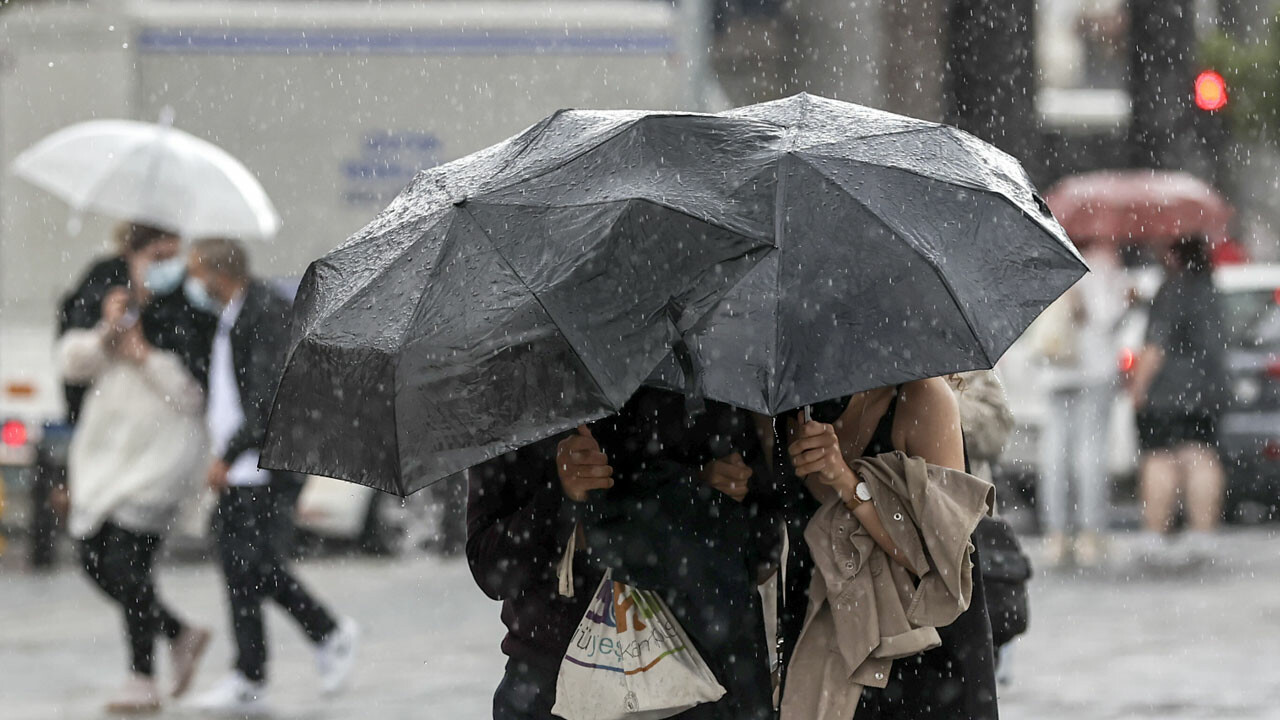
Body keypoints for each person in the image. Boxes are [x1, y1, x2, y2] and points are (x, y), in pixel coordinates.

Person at [467, 387, 775, 720]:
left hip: (696, 678)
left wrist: (698, 495)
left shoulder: (699, 376)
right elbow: (492, 570)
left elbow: (763, 542)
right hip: (554, 684)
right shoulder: (513, 400)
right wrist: (561, 497)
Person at [183, 238, 359, 714]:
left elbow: (265, 398)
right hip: (244, 466)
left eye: (195, 271)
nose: (191, 282)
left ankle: (327, 633)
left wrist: (229, 453)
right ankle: (250, 674)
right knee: (238, 565)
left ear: (217, 273)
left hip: (264, 463)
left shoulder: (264, 312)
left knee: (256, 564)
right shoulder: (234, 312)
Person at [56, 222, 216, 714]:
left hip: (163, 454)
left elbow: (194, 393)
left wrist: (143, 355)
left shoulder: (192, 308)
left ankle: (141, 675)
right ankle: (178, 632)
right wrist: (107, 331)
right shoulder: (104, 289)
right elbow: (71, 364)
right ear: (134, 252)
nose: (168, 263)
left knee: (127, 558)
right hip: (107, 451)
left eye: (175, 253)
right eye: (158, 254)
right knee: (91, 555)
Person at [778, 378, 999, 719]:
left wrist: (846, 480)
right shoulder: (792, 405)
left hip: (922, 657)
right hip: (827, 639)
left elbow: (938, 558)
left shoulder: (924, 397)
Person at [1128, 235, 1229, 562]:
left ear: (1174, 254)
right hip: (1207, 392)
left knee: (1160, 460)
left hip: (1167, 393)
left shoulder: (1171, 289)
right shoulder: (1210, 289)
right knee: (1201, 457)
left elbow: (1157, 346)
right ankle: (1203, 534)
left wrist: (1138, 388)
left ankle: (1156, 534)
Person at [1035, 244, 1128, 567]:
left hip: (1057, 368)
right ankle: (1090, 533)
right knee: (1091, 451)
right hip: (1093, 369)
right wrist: (1124, 296)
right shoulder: (1101, 263)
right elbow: (1105, 317)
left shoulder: (1051, 253)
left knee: (1054, 450)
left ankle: (1056, 534)